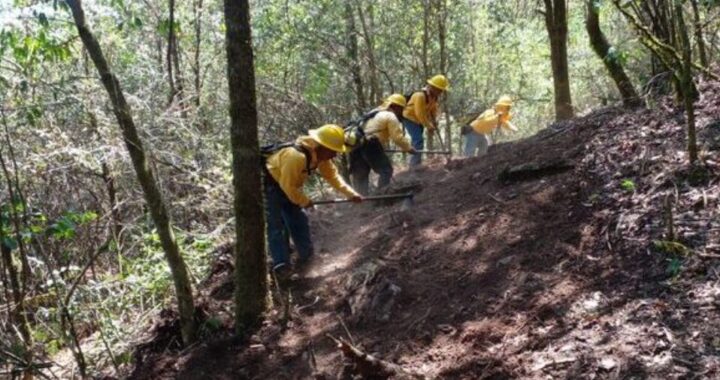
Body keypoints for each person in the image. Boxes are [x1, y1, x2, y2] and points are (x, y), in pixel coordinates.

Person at [263, 124, 362, 274]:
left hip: (290, 189)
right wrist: (304, 201)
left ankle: (307, 258)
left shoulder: (321, 157)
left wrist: (351, 194)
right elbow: (287, 185)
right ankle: (282, 264)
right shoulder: (295, 156)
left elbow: (332, 177)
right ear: (322, 146)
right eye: (333, 151)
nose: (334, 155)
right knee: (277, 226)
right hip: (271, 186)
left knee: (299, 220)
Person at [347, 94, 416, 195]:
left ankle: (361, 201)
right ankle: (382, 196)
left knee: (361, 174)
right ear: (395, 106)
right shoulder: (390, 116)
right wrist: (409, 148)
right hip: (371, 144)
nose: (401, 112)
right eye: (401, 109)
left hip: (355, 145)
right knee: (386, 171)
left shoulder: (374, 112)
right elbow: (397, 138)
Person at [402, 74, 449, 167]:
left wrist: (435, 121)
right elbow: (420, 114)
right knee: (418, 140)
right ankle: (414, 165)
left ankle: (416, 162)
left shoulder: (433, 97)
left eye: (442, 90)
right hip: (409, 118)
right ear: (433, 87)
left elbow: (433, 110)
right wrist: (429, 126)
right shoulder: (420, 96)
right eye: (439, 89)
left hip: (419, 121)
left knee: (418, 140)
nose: (441, 92)